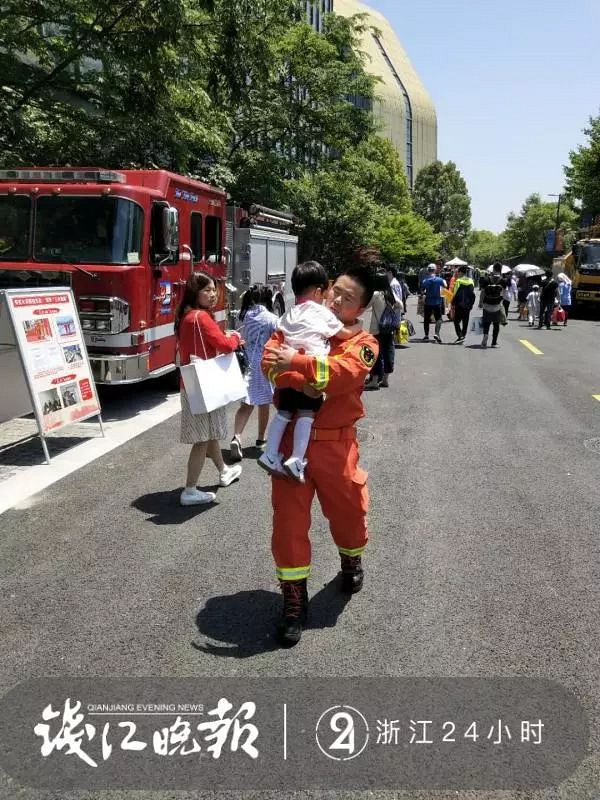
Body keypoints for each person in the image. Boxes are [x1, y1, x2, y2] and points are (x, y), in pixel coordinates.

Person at [261, 263, 379, 647]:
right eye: (335, 291)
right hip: (291, 438)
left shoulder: (364, 341)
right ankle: (293, 600)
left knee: (349, 513)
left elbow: (345, 375)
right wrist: (302, 376)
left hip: (335, 443)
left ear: (358, 310)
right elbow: (267, 363)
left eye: (347, 298)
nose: (336, 299)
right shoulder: (296, 321)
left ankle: (351, 559)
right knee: (288, 524)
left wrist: (295, 365)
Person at [257, 261, 355, 483]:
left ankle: (270, 453)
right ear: (318, 291)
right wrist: (357, 327)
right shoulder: (321, 312)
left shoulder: (289, 313)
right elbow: (343, 334)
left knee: (284, 413)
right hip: (310, 375)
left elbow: (277, 340)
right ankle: (297, 459)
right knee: (306, 414)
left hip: (287, 375)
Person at [175, 272, 243, 506]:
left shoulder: (186, 316)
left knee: (210, 431)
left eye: (214, 290)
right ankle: (190, 489)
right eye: (207, 290)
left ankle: (224, 470)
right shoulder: (201, 317)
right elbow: (224, 346)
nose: (213, 294)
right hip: (204, 384)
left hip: (193, 384)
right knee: (202, 439)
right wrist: (235, 339)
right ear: (196, 292)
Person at [230, 286, 279, 461]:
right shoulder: (272, 319)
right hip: (264, 363)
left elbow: (238, 335)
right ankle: (260, 439)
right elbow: (278, 340)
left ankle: (237, 436)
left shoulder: (242, 315)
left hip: (245, 362)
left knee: (246, 403)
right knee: (264, 402)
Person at [365, 273, 402, 389]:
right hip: (389, 328)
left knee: (375, 354)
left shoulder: (376, 294)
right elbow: (400, 305)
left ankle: (374, 381)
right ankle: (385, 379)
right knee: (388, 352)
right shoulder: (391, 294)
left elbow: (366, 306)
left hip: (377, 329)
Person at [480, 262, 504, 348]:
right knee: (496, 324)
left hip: (487, 304)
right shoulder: (502, 280)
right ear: (500, 270)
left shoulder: (487, 279)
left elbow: (482, 292)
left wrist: (480, 303)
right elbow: (503, 293)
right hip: (497, 305)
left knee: (486, 322)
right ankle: (494, 342)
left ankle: (485, 335)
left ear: (493, 269)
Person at [421, 264, 447, 343]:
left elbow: (422, 291)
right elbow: (445, 286)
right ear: (435, 270)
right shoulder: (440, 279)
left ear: (428, 270)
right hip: (437, 302)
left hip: (428, 302)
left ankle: (426, 335)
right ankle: (437, 333)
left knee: (426, 319)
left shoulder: (425, 280)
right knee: (438, 318)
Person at [451, 265, 476, 343]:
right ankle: (463, 335)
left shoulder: (458, 281)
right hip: (468, 304)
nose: (457, 273)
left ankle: (460, 335)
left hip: (459, 304)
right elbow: (472, 293)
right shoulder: (471, 280)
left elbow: (455, 293)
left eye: (458, 272)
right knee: (465, 321)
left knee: (456, 321)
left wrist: (452, 301)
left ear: (461, 272)